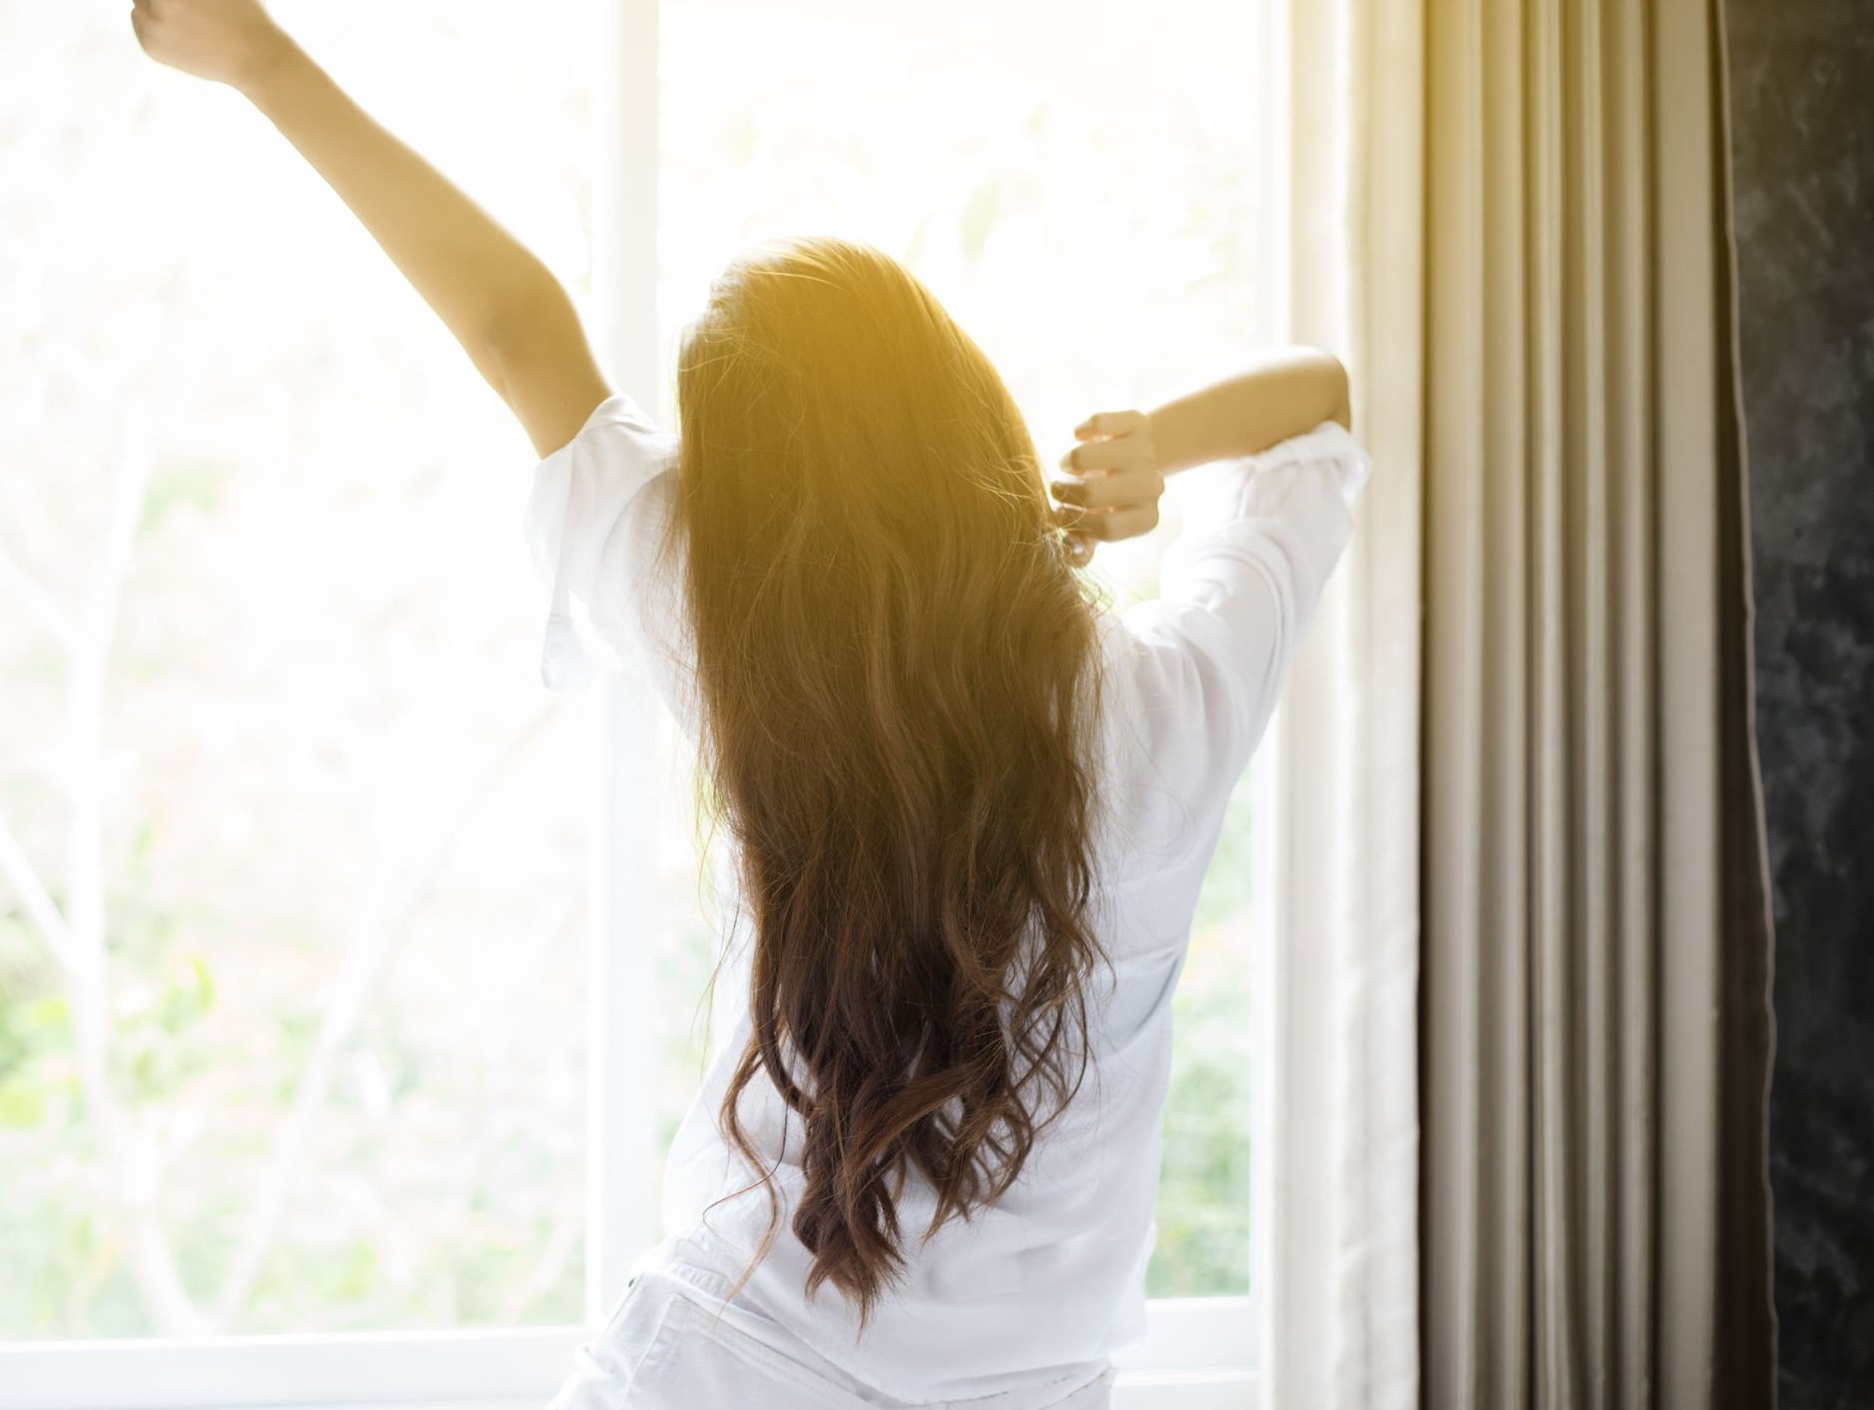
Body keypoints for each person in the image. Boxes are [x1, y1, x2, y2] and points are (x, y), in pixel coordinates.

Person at [132, 4, 1368, 1406]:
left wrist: (262, 64)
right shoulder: (1167, 710)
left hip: (719, 1365)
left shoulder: (734, 630)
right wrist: (1155, 443)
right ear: (972, 409)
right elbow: (1320, 402)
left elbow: (517, 330)